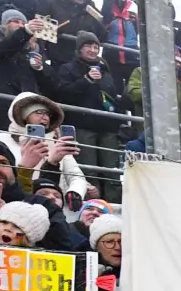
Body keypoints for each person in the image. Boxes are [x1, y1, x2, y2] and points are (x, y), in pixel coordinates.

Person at [50, 33, 123, 204]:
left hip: (107, 128)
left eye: (96, 47)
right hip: (83, 126)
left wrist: (117, 118)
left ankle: (114, 207)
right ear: (80, 48)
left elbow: (113, 96)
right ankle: (92, 207)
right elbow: (63, 94)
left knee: (111, 171)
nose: (92, 50)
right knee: (89, 171)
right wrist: (86, 80)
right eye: (88, 46)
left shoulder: (106, 70)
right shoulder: (68, 69)